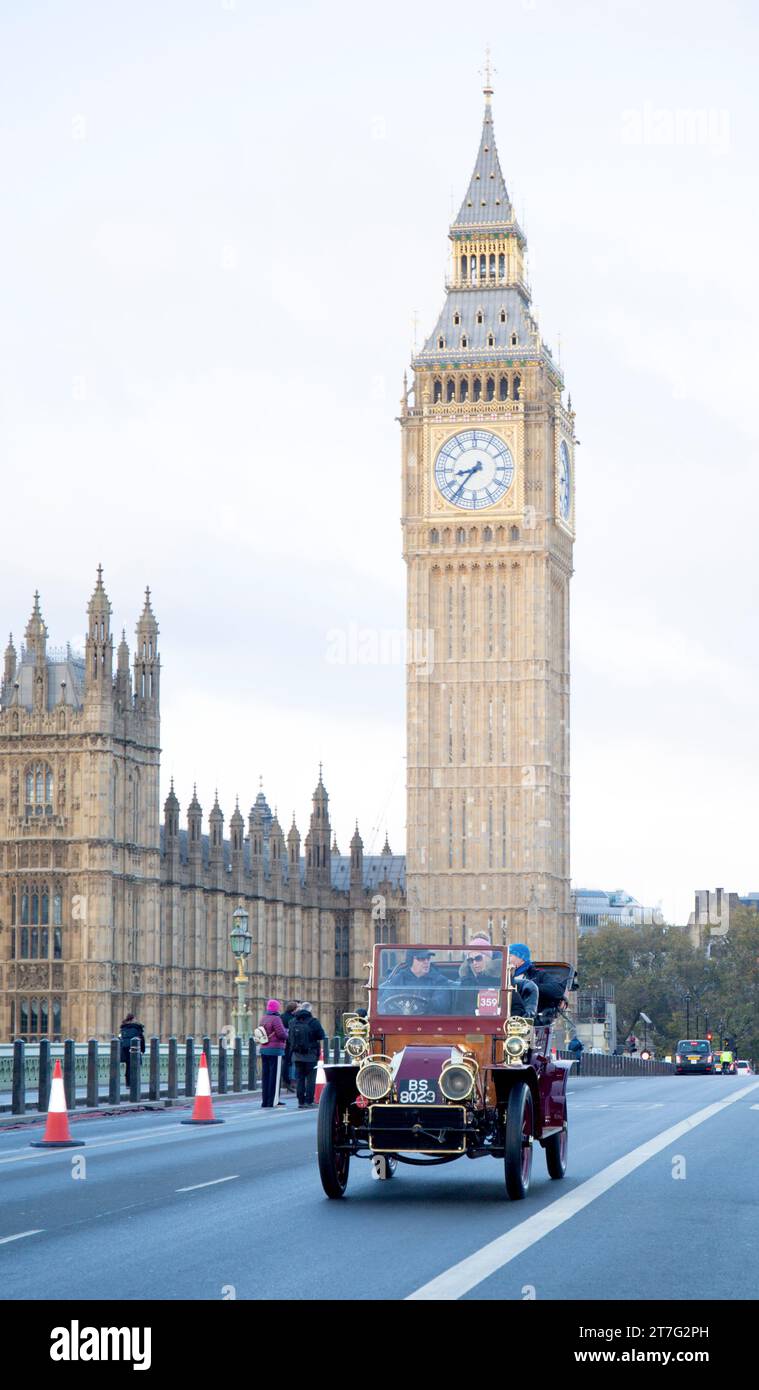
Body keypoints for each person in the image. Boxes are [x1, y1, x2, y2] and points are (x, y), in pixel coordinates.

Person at [379, 949, 452, 1014]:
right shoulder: (398, 979)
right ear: (410, 961)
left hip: (428, 1022)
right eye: (421, 958)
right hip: (400, 1021)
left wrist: (422, 1004)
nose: (426, 962)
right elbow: (384, 1001)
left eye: (428, 958)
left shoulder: (439, 980)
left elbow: (442, 1004)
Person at [508, 943, 566, 1017]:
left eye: (510, 956)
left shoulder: (536, 974)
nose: (506, 959)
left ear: (521, 959)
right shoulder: (501, 975)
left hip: (529, 1017)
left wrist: (531, 987)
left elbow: (557, 990)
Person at [289, 1002, 327, 1108]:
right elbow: (321, 1036)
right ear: (310, 1010)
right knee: (310, 1078)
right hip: (311, 1054)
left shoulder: (293, 1021)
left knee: (300, 1078)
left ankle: (300, 1101)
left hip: (297, 1055)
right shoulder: (313, 1022)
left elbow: (289, 1038)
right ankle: (309, 1101)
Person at [258, 999, 288, 1108]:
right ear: (276, 1008)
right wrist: (287, 1034)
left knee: (266, 1076)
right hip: (275, 1051)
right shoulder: (276, 1019)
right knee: (274, 1076)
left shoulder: (263, 1018)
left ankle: (265, 1101)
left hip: (264, 1049)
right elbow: (281, 1034)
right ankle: (272, 1101)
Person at [119, 1013, 145, 1089]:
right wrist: (143, 1050)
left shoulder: (123, 1027)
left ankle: (128, 1083)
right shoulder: (137, 1027)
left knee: (128, 1066)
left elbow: (120, 1039)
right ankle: (134, 1082)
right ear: (133, 1019)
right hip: (135, 1049)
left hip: (125, 1048)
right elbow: (142, 1039)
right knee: (135, 1065)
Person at [281, 1000, 300, 1092]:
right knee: (291, 1063)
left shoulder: (281, 1016)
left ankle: (285, 1081)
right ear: (294, 1009)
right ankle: (291, 1082)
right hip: (290, 1043)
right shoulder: (293, 1019)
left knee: (285, 1062)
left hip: (281, 1043)